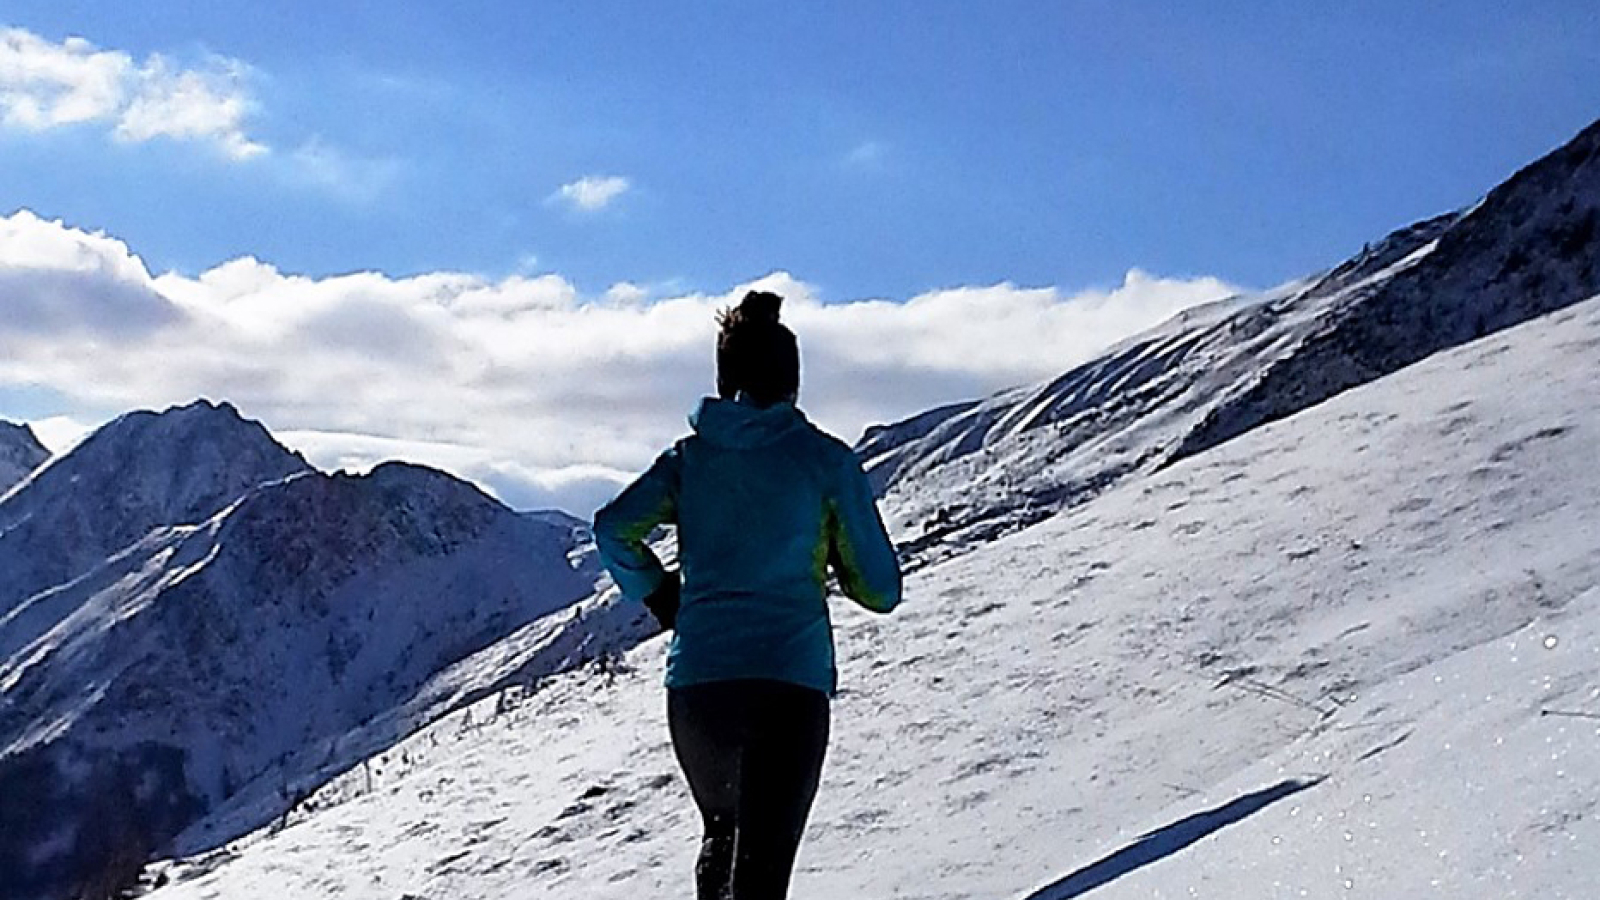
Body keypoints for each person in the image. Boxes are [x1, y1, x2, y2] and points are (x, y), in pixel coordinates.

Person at [593, 289, 902, 900]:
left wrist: (661, 595)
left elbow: (612, 528)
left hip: (697, 692)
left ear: (724, 376)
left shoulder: (690, 458)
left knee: (721, 839)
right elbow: (882, 590)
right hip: (787, 689)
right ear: (793, 379)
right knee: (761, 877)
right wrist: (831, 556)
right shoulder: (824, 463)